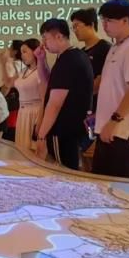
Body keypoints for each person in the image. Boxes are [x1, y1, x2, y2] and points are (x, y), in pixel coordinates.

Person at [93, 0, 129, 178]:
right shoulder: (115, 47)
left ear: (125, 20)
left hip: (122, 132)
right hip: (108, 129)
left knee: (115, 187)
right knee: (100, 185)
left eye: (109, 20)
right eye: (103, 20)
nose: (104, 25)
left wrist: (114, 121)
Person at [34, 19, 94, 170]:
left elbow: (55, 104)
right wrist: (41, 60)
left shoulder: (69, 60)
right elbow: (49, 83)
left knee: (62, 171)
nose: (44, 43)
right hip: (71, 130)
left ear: (59, 36)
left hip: (64, 130)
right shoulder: (70, 56)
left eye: (46, 38)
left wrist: (41, 136)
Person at [0, 39, 42, 151]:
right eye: (21, 52)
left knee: (32, 148)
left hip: (35, 112)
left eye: (25, 52)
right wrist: (3, 64)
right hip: (22, 112)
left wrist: (40, 120)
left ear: (35, 51)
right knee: (21, 147)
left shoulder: (41, 71)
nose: (22, 55)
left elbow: (44, 98)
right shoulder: (23, 71)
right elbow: (8, 83)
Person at [70, 8, 111, 113]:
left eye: (77, 26)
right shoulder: (81, 52)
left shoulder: (105, 48)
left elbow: (103, 79)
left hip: (99, 107)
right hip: (82, 107)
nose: (75, 31)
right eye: (73, 28)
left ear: (91, 25)